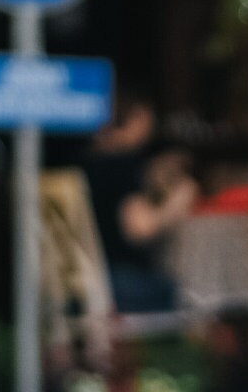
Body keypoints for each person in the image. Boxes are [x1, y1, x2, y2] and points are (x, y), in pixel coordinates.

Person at [80, 94, 197, 313]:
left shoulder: (88, 161)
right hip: (124, 281)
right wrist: (176, 203)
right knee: (189, 290)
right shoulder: (122, 164)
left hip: (88, 278)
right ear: (136, 118)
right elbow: (139, 228)